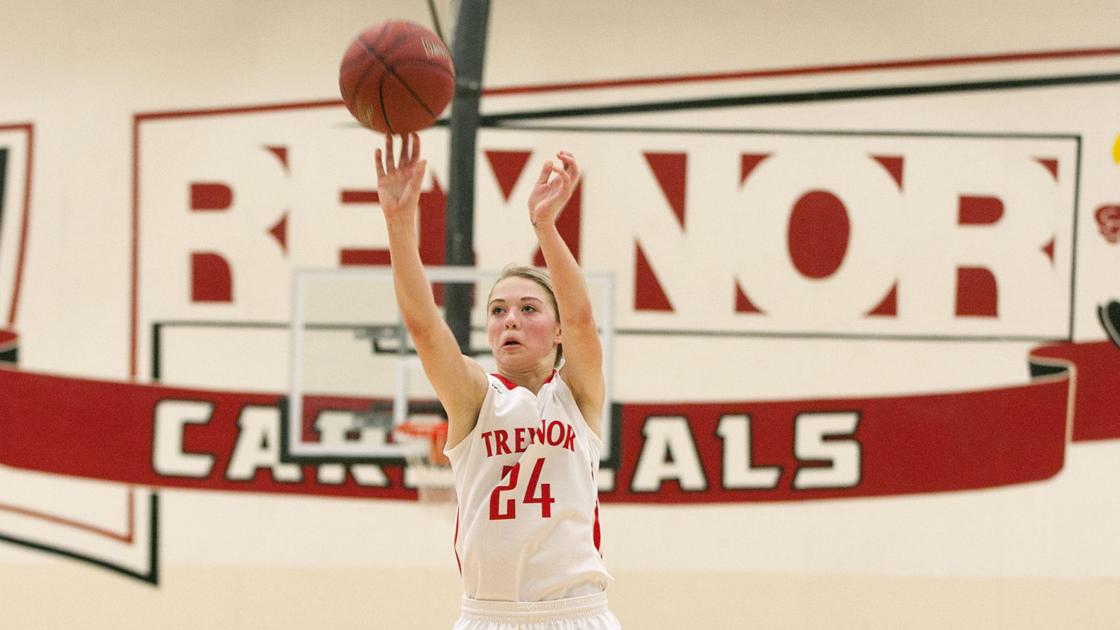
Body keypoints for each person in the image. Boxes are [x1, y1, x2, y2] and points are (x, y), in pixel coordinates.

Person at [375, 132, 621, 629]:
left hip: (576, 614)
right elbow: (424, 328)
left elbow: (582, 322)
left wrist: (545, 227)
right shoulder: (475, 396)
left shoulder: (576, 396)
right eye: (497, 310)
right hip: (489, 617)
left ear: (555, 332)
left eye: (528, 309)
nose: (509, 319)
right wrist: (399, 224)